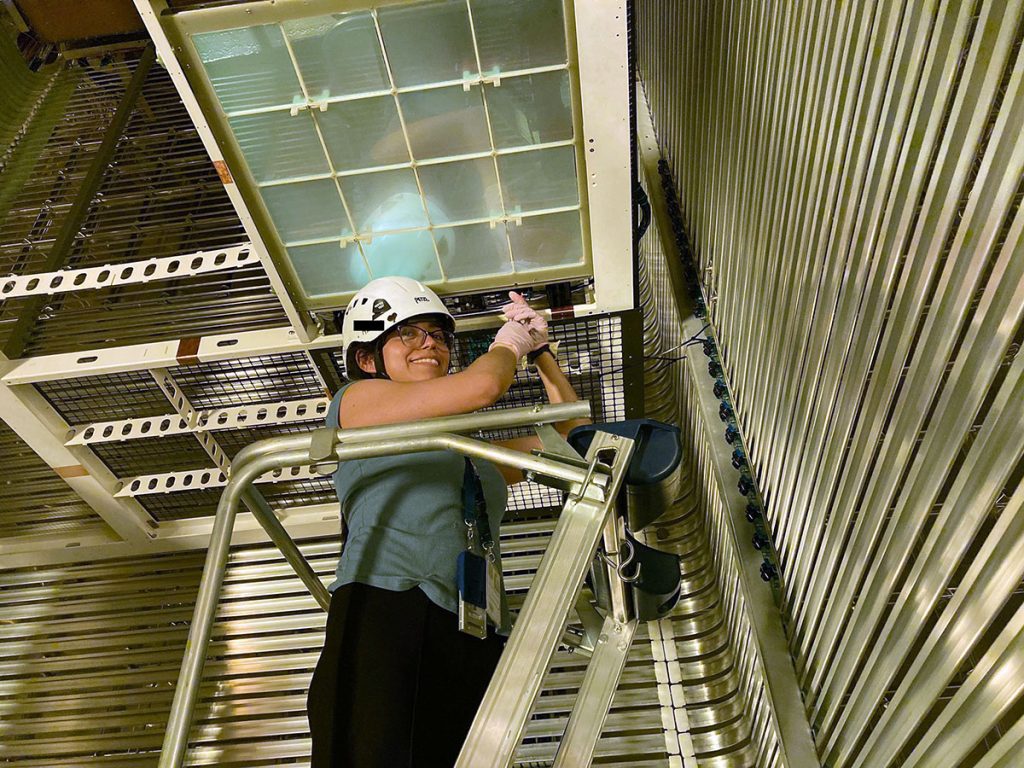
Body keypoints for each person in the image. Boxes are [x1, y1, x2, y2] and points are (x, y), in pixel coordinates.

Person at [307, 275, 590, 767]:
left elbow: (575, 439)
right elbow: (483, 385)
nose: (430, 344)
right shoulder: (357, 402)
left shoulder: (472, 452)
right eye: (409, 333)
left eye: (438, 335)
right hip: (388, 608)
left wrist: (541, 350)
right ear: (369, 359)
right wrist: (509, 345)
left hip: (471, 629)